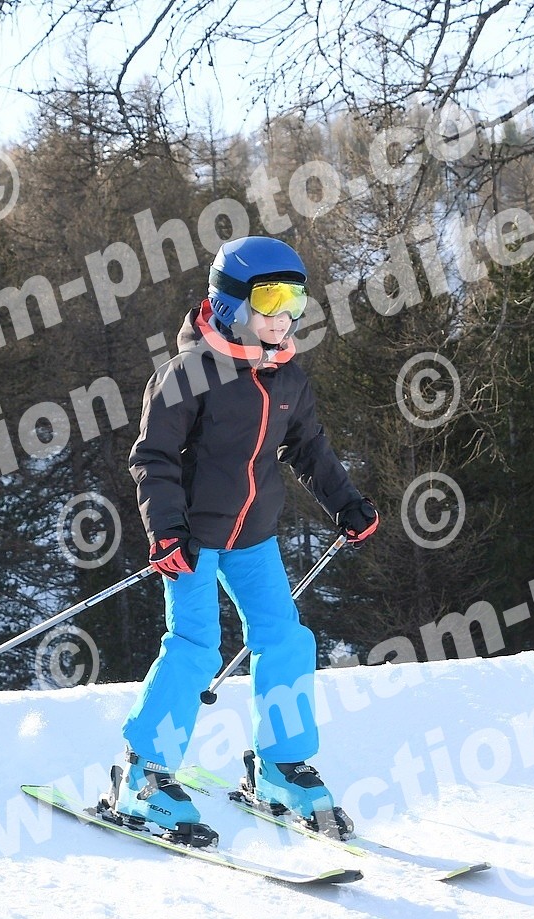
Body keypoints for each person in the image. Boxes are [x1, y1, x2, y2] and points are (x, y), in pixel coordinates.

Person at [110, 235, 379, 844]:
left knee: (285, 639)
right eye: (269, 299)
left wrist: (347, 503)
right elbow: (153, 459)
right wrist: (166, 532)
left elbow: (310, 449)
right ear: (231, 303)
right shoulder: (185, 377)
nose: (284, 315)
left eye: (295, 301)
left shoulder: (287, 377)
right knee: (195, 647)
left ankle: (279, 767)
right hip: (192, 542)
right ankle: (144, 775)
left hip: (254, 538)